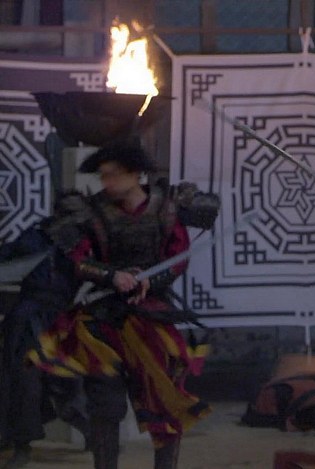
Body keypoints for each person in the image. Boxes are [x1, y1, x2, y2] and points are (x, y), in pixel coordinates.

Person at [27, 139, 214, 469]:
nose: (107, 182)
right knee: (105, 405)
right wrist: (112, 276)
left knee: (164, 401)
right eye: (103, 175)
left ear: (135, 174)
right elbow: (78, 259)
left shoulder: (167, 207)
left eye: (113, 174)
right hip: (103, 319)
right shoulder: (91, 210)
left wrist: (151, 281)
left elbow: (178, 258)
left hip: (153, 317)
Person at [0, 224, 89, 469]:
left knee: (70, 381)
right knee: (22, 382)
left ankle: (92, 432)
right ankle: (21, 445)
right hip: (27, 322)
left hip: (65, 320)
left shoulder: (86, 239)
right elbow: (7, 256)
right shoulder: (35, 236)